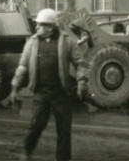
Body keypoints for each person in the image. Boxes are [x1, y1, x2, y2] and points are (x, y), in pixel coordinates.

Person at [10, 8, 88, 161]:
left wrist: (81, 80)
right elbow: (23, 66)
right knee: (36, 126)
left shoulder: (68, 41)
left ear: (50, 27)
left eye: (40, 25)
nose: (37, 28)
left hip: (62, 93)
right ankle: (26, 152)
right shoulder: (32, 43)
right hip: (41, 94)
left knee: (64, 132)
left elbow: (80, 63)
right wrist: (15, 87)